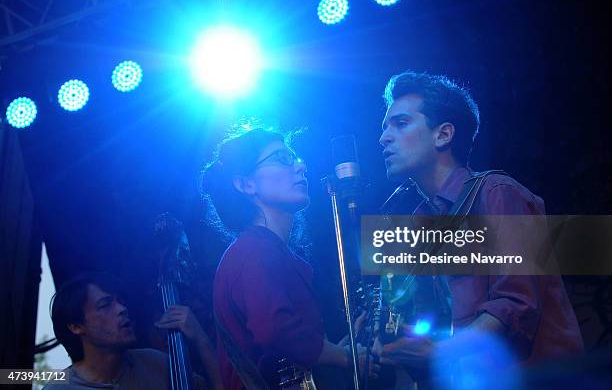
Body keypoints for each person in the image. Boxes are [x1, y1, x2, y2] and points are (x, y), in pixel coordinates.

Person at [376, 71, 584, 384]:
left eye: (401, 123)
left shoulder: (497, 192)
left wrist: (441, 352)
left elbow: (516, 304)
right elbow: (433, 322)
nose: (384, 138)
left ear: (443, 135)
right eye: (384, 127)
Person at [202, 127, 376, 390]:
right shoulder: (253, 253)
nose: (301, 166)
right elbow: (276, 331)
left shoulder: (270, 250)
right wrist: (344, 357)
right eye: (282, 159)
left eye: (296, 158)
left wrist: (334, 349)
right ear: (246, 184)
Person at [44, 272, 223, 389]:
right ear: (76, 326)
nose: (122, 308)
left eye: (119, 301)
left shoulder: (156, 363)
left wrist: (201, 339)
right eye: (105, 305)